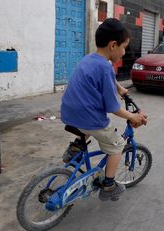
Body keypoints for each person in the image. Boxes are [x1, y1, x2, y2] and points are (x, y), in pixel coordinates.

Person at [60, 18, 148, 201]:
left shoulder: (90, 58)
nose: (124, 53)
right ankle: (108, 184)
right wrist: (133, 116)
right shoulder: (106, 68)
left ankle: (76, 148)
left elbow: (103, 77)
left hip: (69, 112)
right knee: (117, 145)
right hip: (89, 117)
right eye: (124, 47)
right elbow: (112, 107)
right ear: (113, 45)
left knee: (88, 126)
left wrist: (119, 88)